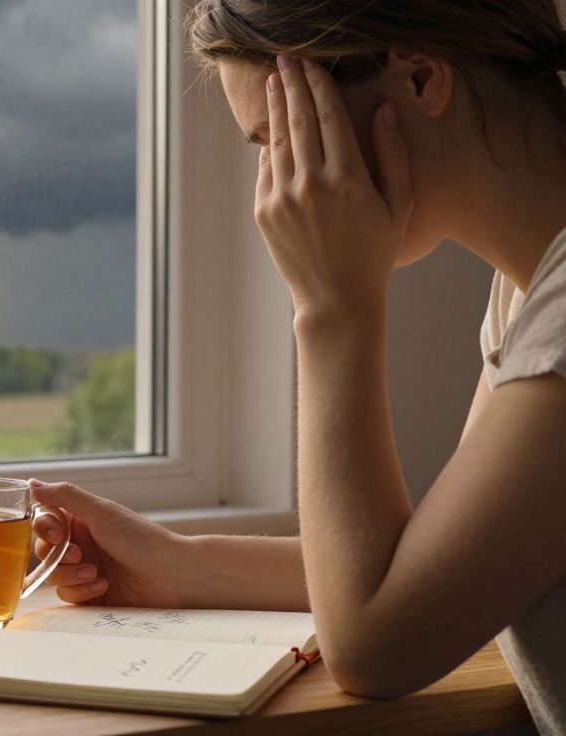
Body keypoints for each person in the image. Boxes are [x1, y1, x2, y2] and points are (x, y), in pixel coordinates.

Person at [31, 1, 566, 732]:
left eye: (282, 136)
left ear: (416, 77)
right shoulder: (529, 288)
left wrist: (330, 310)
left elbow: (377, 645)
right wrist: (180, 565)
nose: (276, 188)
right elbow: (423, 570)